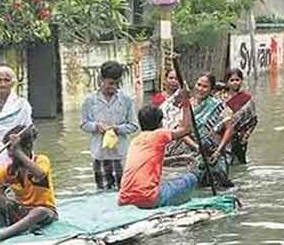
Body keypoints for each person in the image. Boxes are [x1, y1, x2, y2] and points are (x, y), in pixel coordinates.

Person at [118, 92, 206, 208]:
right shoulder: (159, 135)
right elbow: (187, 129)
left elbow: (148, 162)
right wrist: (186, 103)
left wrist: (177, 159)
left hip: (124, 198)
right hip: (148, 198)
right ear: (160, 123)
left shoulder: (136, 141)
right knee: (192, 177)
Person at [80, 61, 139, 190]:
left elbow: (134, 126)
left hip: (121, 155)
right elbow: (84, 124)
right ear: (101, 79)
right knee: (103, 193)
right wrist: (96, 127)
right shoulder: (89, 101)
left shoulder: (126, 100)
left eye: (117, 83)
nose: (114, 87)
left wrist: (118, 129)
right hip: (100, 155)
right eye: (111, 83)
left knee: (125, 192)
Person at [187, 74, 235, 189]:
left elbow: (230, 129)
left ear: (211, 90)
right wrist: (197, 147)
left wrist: (218, 151)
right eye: (199, 85)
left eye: (205, 87)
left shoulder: (219, 106)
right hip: (196, 155)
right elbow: (183, 132)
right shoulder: (187, 106)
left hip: (216, 155)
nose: (200, 89)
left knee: (220, 186)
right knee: (197, 188)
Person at [0, 66, 33, 174]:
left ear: (12, 83)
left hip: (16, 152)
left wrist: (18, 147)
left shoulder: (22, 105)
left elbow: (29, 131)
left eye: (6, 80)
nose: (2, 84)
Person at [223, 68, 258, 165]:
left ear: (241, 81)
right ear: (227, 82)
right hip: (222, 138)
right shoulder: (220, 97)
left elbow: (253, 120)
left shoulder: (247, 99)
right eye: (232, 80)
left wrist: (247, 135)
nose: (235, 83)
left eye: (237, 80)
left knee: (238, 163)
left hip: (239, 138)